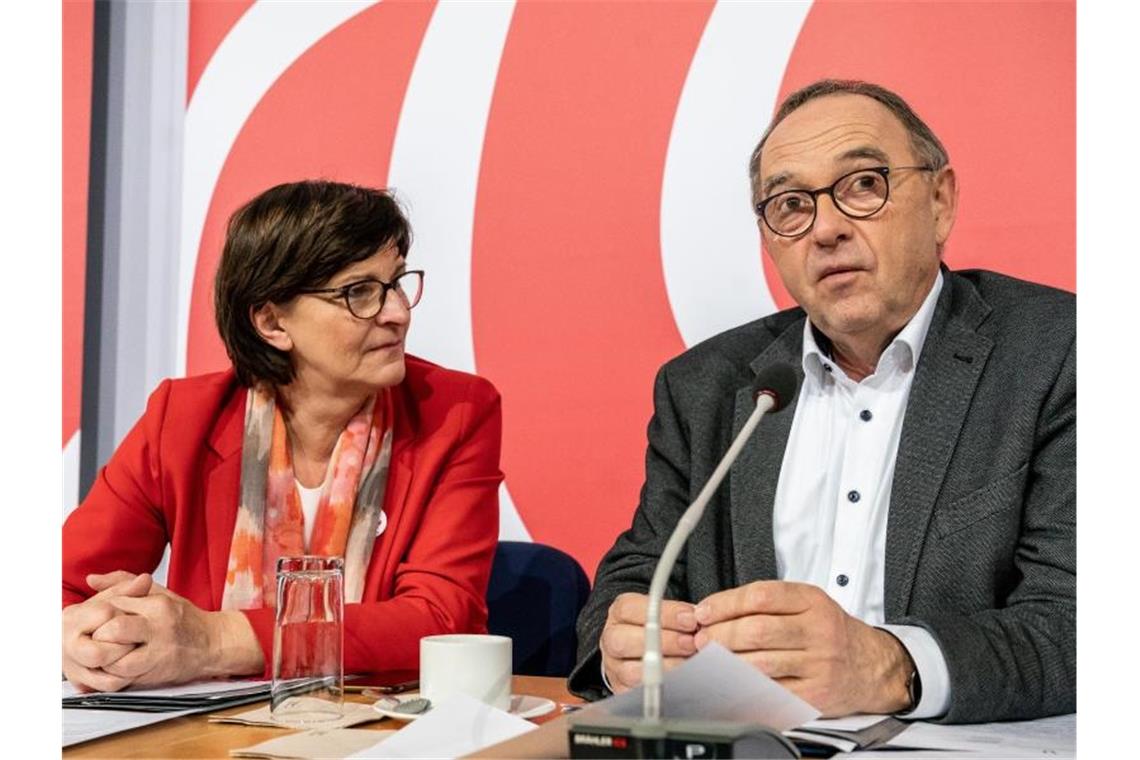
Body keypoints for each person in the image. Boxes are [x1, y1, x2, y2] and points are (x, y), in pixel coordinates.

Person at [569, 79, 1074, 724]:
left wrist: (894, 665)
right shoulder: (708, 386)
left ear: (941, 201)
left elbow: (1084, 620)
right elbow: (637, 574)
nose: (827, 229)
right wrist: (625, 655)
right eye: (790, 204)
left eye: (864, 185)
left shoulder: (1060, 353)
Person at [62, 180, 503, 692]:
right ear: (272, 322)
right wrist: (82, 636)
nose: (398, 313)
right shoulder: (181, 418)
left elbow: (442, 622)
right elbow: (66, 587)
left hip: (379, 728)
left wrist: (213, 639)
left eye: (397, 283)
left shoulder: (456, 412)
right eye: (360, 292)